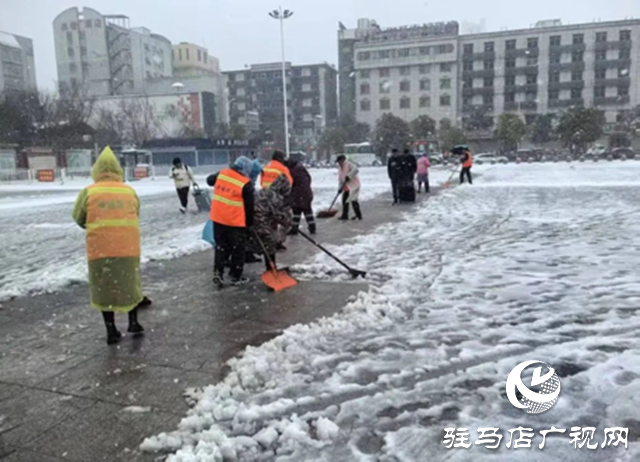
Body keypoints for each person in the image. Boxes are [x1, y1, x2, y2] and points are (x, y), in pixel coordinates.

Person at [72, 147, 146, 345]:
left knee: (104, 288)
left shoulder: (89, 192)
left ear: (96, 170)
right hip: (128, 247)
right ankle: (133, 322)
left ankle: (111, 330)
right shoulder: (129, 191)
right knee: (130, 284)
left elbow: (78, 217)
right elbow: (136, 212)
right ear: (118, 170)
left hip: (100, 249)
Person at [209, 156, 255, 288]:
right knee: (238, 249)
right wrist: (250, 224)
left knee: (221, 247)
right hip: (235, 221)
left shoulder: (222, 173)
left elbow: (209, 180)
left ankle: (218, 272)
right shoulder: (246, 183)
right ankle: (235, 276)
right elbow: (249, 207)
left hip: (218, 218)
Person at [246, 175, 292, 272]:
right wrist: (287, 223)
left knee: (256, 243)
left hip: (251, 221)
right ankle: (271, 269)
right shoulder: (275, 197)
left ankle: (237, 266)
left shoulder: (264, 191)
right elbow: (278, 215)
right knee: (269, 245)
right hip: (261, 222)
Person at [286, 159, 315, 235]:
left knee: (298, 210)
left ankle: (296, 229)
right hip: (305, 193)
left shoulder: (293, 171)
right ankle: (312, 227)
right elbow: (308, 178)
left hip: (300, 194)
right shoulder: (299, 168)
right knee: (304, 210)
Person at [337, 155, 362, 220]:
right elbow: (340, 179)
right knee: (344, 201)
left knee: (353, 200)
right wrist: (339, 188)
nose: (339, 163)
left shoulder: (349, 164)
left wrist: (349, 176)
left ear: (343, 160)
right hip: (346, 186)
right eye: (338, 162)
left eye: (339, 161)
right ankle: (345, 215)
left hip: (354, 185)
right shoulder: (340, 167)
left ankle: (359, 216)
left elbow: (356, 170)